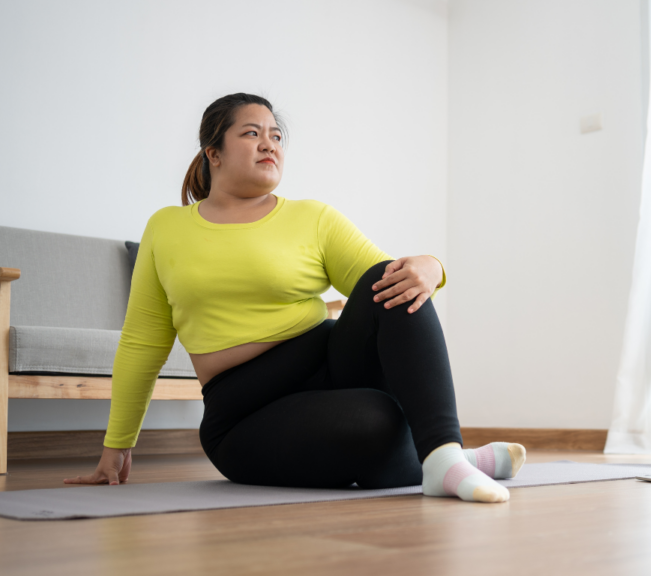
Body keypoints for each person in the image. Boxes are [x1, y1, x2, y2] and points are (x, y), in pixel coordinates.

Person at [63, 93, 525, 503]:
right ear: (213, 153)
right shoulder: (167, 227)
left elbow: (392, 284)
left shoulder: (313, 217)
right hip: (243, 411)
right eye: (251, 133)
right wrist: (116, 446)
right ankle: (463, 460)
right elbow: (143, 341)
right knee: (377, 422)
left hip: (328, 364)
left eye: (276, 135)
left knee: (389, 279)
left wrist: (433, 266)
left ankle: (443, 455)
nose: (270, 143)